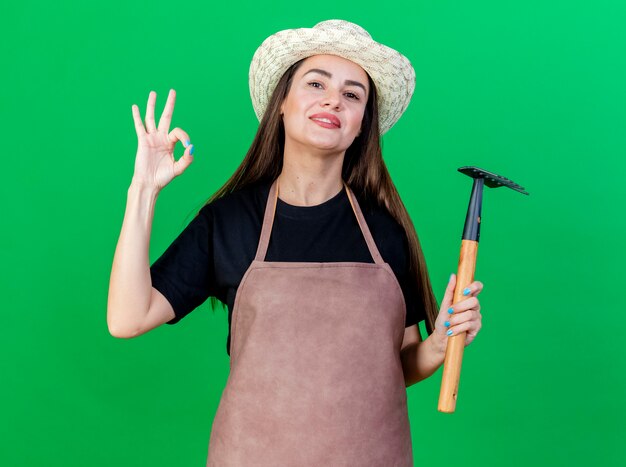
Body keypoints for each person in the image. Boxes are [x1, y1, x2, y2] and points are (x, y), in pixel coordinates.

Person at [107, 19, 483, 466]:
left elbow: (397, 367)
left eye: (352, 94)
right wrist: (143, 191)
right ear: (281, 103)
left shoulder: (385, 232)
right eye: (316, 83)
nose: (332, 100)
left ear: (362, 124)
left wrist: (440, 345)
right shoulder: (229, 222)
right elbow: (128, 318)